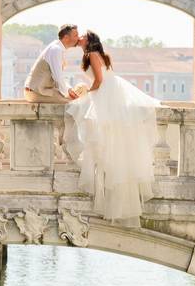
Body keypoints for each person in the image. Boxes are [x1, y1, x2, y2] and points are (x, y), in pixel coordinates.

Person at [63, 31, 160, 222]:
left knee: (93, 125)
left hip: (106, 94)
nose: (79, 38)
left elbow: (99, 80)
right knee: (107, 135)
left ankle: (104, 172)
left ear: (88, 40)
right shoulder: (95, 54)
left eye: (82, 36)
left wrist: (87, 93)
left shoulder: (92, 54)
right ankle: (106, 172)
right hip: (109, 93)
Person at [23, 24, 81, 103]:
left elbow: (57, 76)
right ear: (66, 37)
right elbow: (58, 77)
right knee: (74, 104)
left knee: (76, 101)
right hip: (36, 92)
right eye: (76, 35)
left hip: (42, 91)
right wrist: (68, 93)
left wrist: (69, 90)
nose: (78, 38)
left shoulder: (57, 48)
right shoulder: (56, 50)